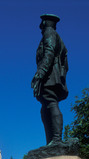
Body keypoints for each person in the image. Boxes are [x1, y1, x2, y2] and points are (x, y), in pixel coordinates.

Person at [31, 14, 69, 146]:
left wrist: (40, 73)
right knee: (45, 106)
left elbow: (49, 52)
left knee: (51, 103)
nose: (40, 25)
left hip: (50, 75)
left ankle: (57, 139)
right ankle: (51, 142)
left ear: (46, 22)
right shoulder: (52, 35)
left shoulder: (49, 33)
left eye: (42, 21)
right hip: (51, 75)